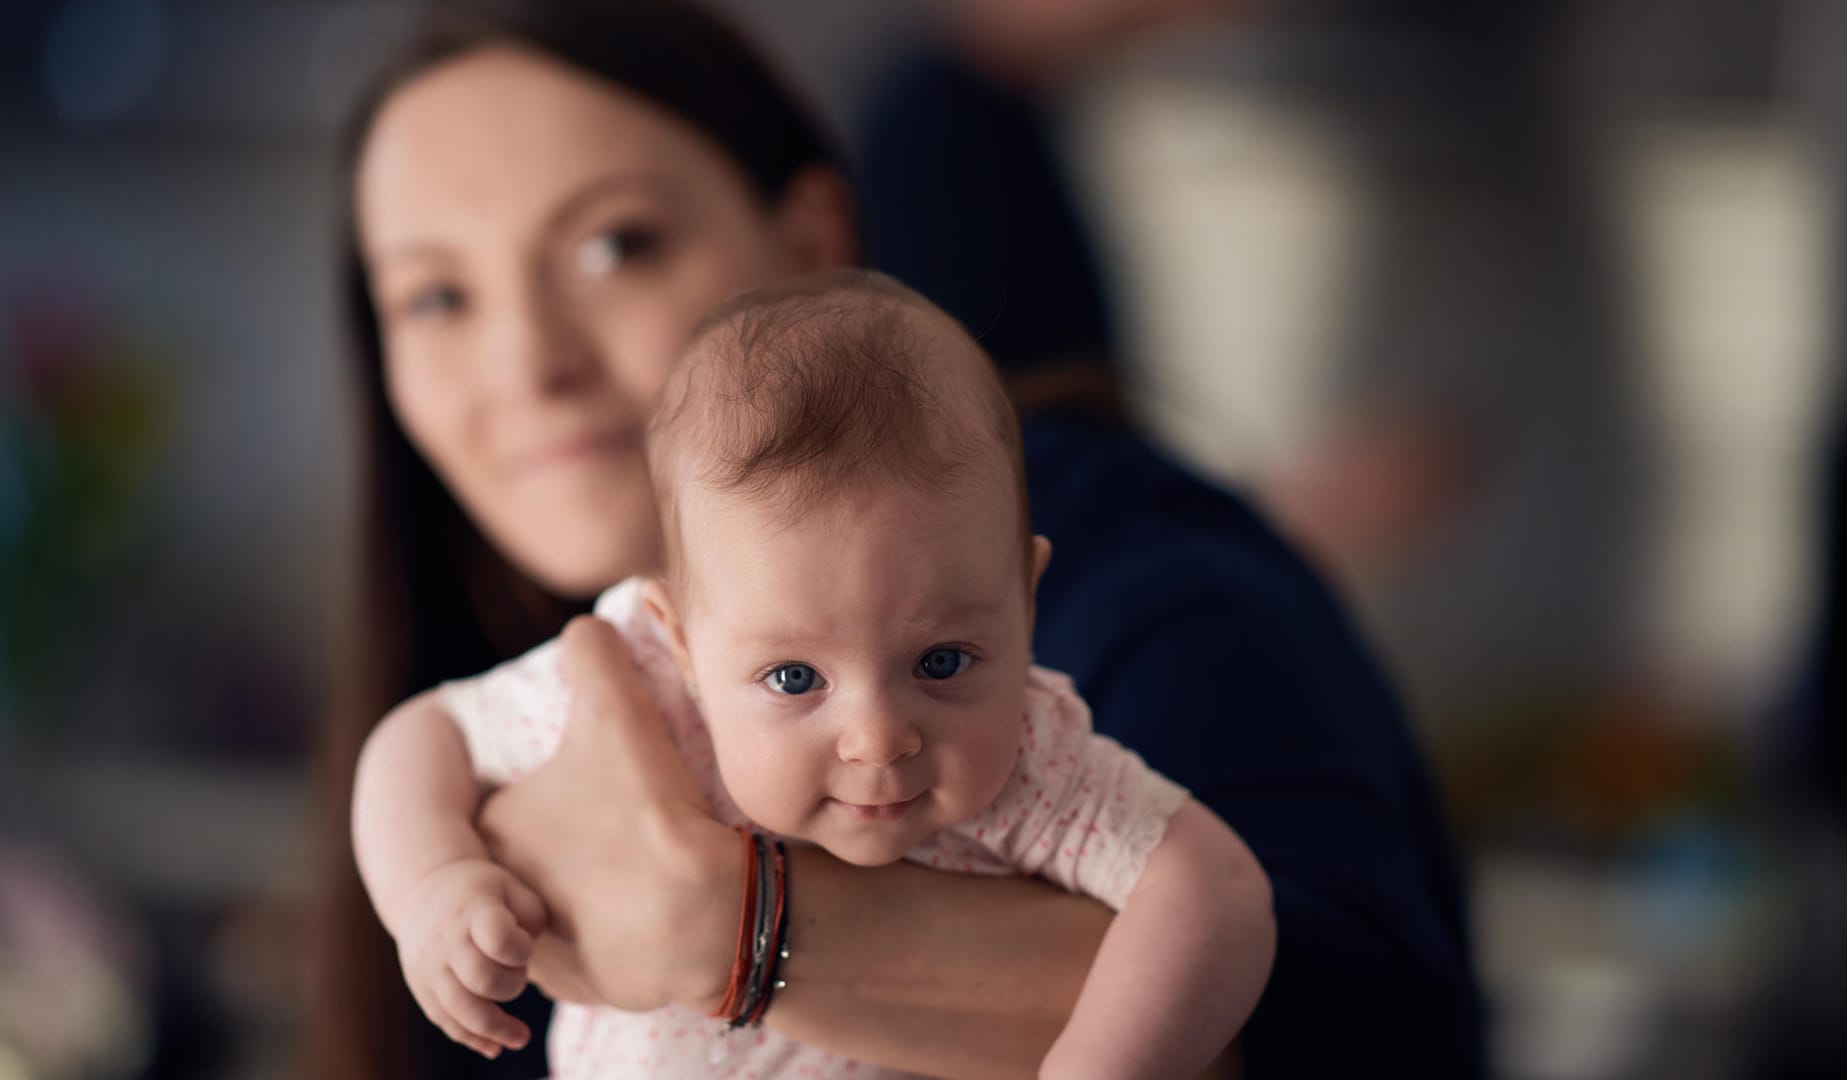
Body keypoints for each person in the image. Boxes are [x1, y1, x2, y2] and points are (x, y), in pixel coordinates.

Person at [307, 2, 1482, 1077]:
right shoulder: (551, 676)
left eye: (615, 246)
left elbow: (1367, 1022)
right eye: (436, 297)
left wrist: (729, 925)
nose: (530, 364)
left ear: (816, 236)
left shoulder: (1125, 579)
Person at [352, 271, 1276, 1077]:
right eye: (795, 679)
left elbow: (1213, 891)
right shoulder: (645, 687)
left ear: (1025, 604)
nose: (879, 737)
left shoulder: (1032, 761)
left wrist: (1096, 1066)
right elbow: (419, 737)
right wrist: (431, 885)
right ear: (680, 638)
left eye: (942, 662)